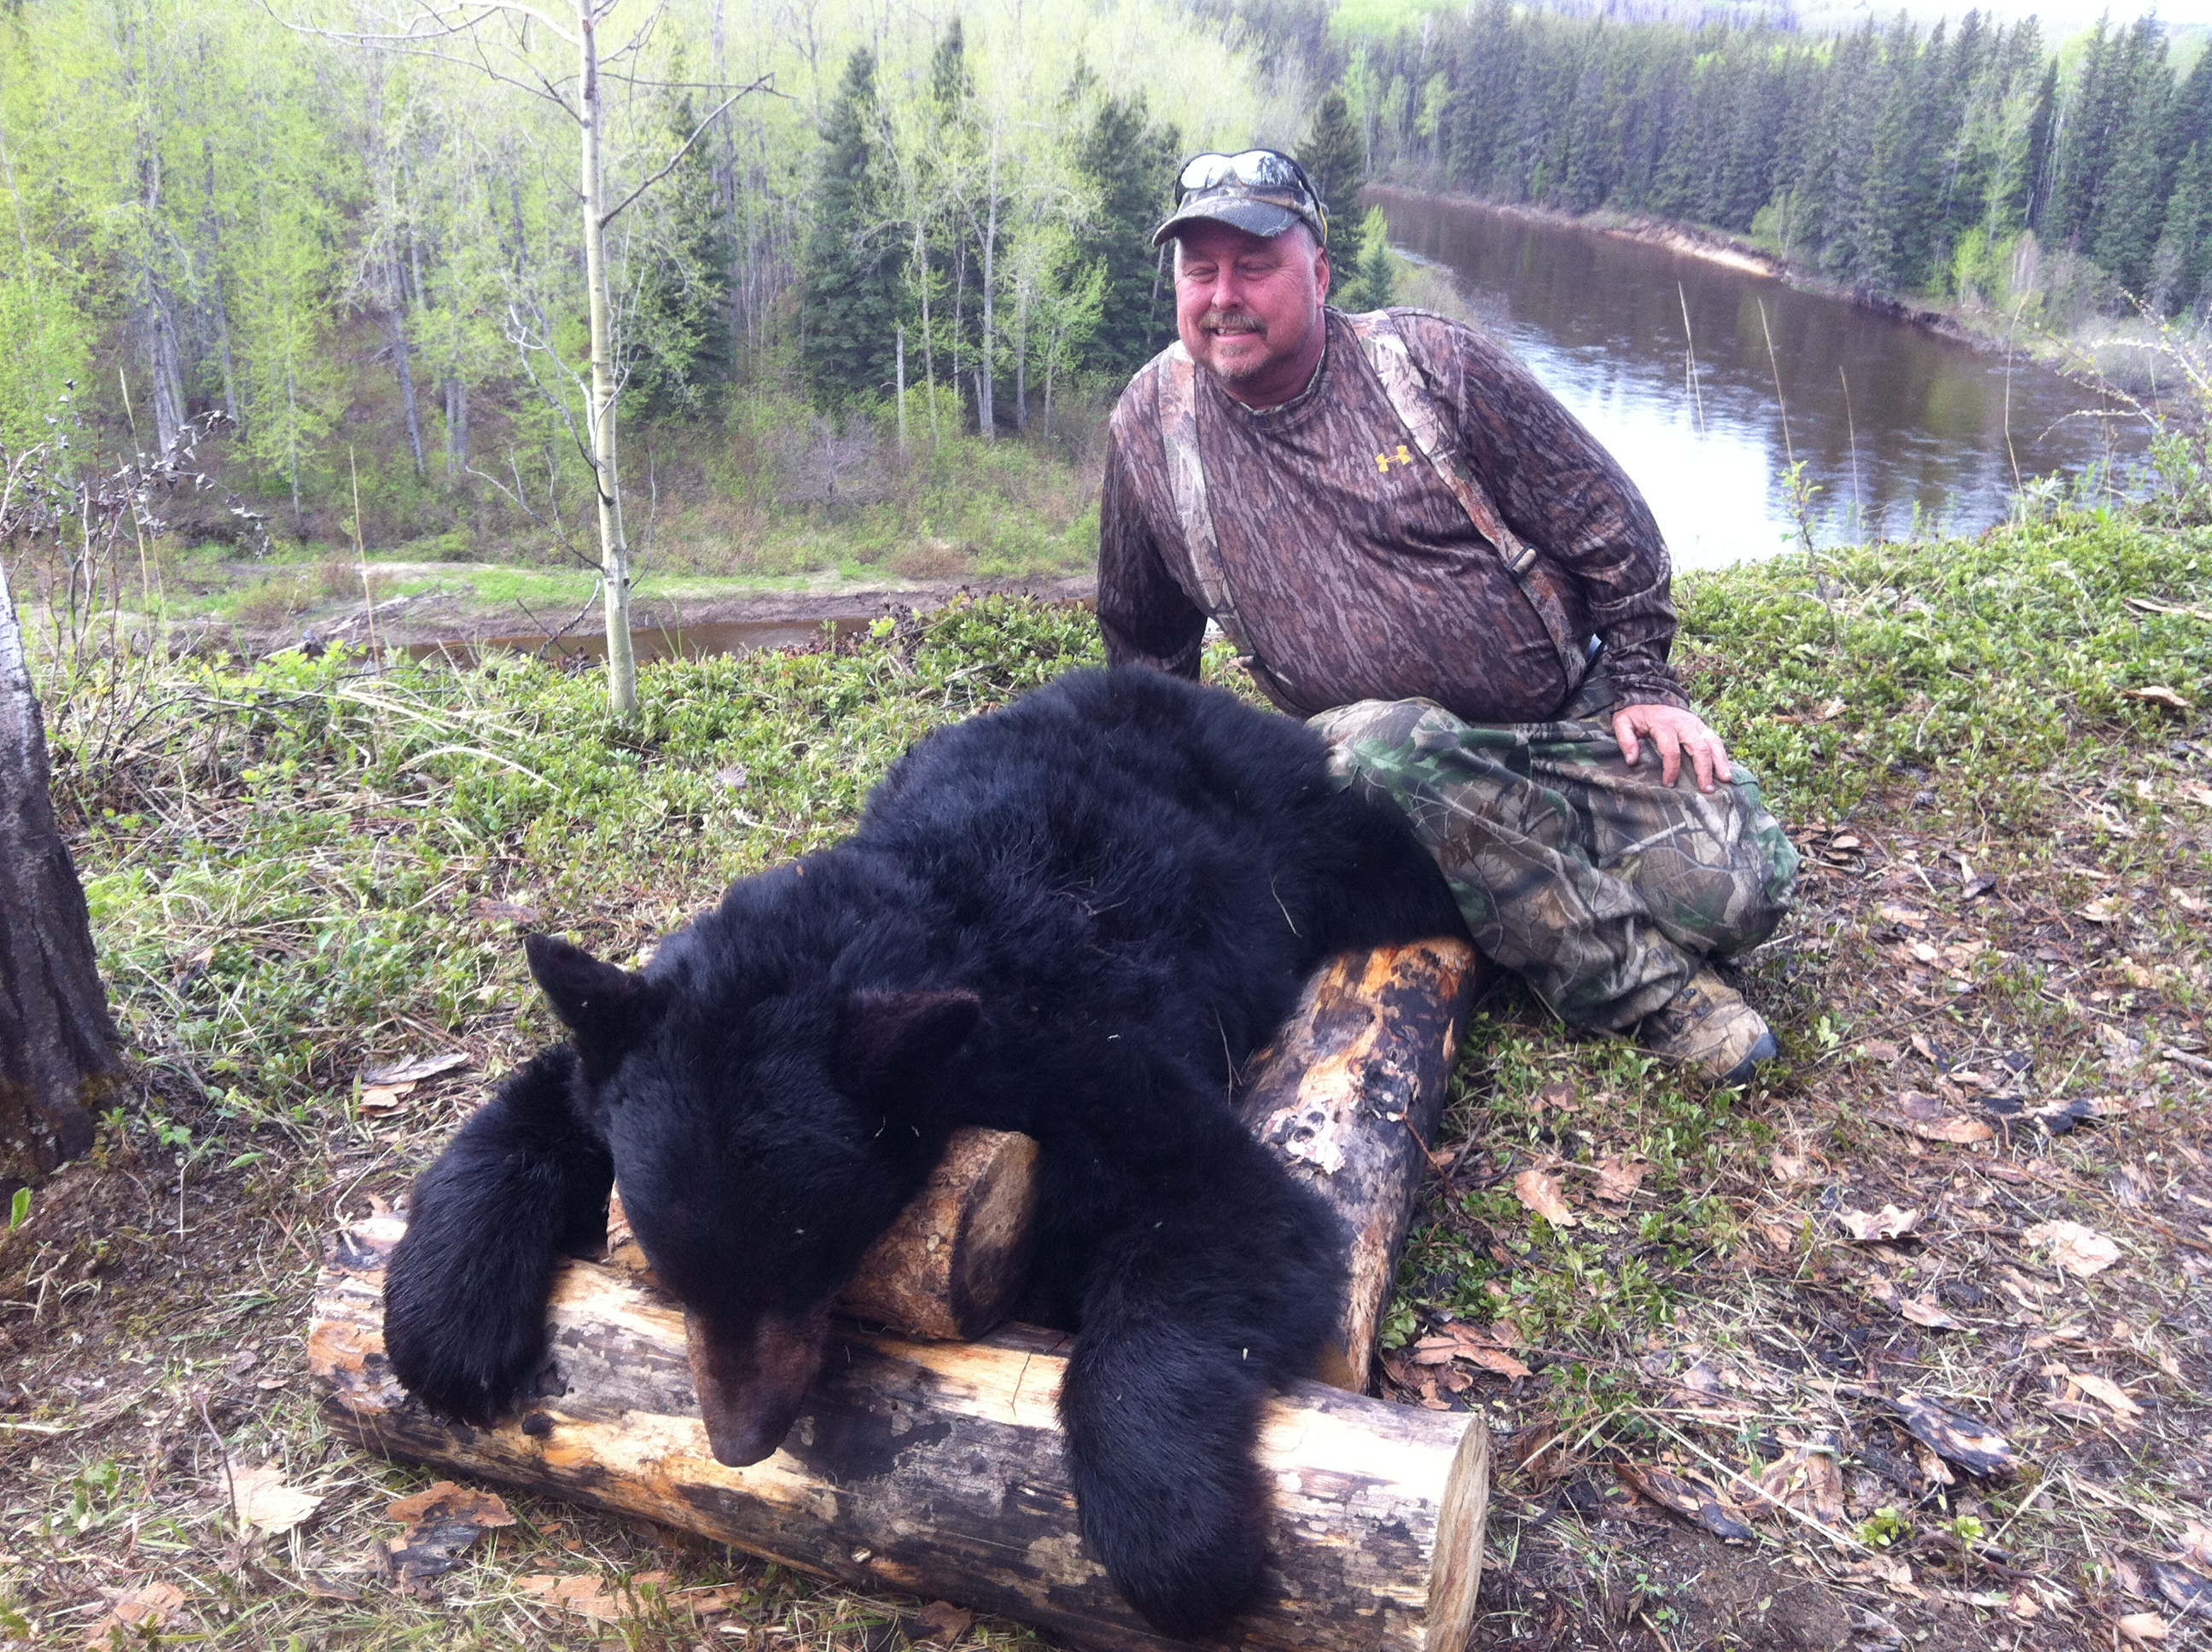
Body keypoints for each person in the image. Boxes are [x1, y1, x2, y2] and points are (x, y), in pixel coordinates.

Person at [1096, 148, 1799, 1085]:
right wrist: (1162, 824)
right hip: (1369, 785)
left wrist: (1645, 680)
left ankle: (1510, 892)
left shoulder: (1428, 364)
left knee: (1744, 890)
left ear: (1321, 272)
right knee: (1382, 749)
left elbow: (1608, 521)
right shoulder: (1151, 425)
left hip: (1559, 733)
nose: (1224, 294)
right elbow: (1146, 646)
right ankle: (1655, 993)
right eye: (1200, 269)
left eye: (1255, 264)